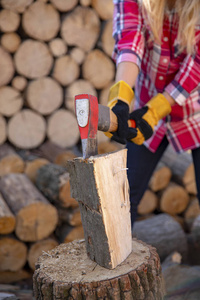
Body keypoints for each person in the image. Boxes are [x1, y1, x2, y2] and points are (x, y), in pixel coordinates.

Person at [106, 0, 200, 228]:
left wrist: (158, 108)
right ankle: (118, 259)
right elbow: (129, 40)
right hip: (144, 104)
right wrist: (121, 98)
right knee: (123, 198)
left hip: (195, 111)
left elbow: (197, 63)